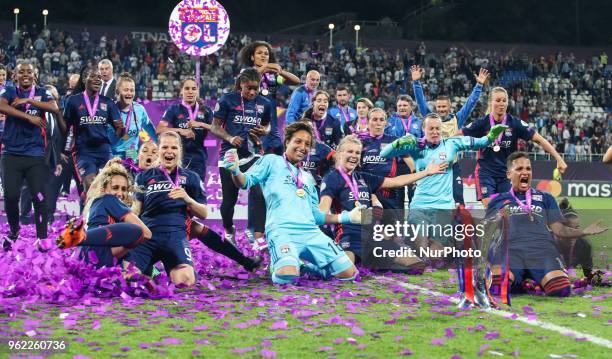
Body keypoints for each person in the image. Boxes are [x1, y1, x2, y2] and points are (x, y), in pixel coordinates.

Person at [222, 122, 365, 284]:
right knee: (287, 276)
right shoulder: (271, 161)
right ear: (287, 141)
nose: (302, 146)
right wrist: (235, 171)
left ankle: (307, 268)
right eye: (298, 141)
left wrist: (347, 217)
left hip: (312, 233)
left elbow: (316, 217)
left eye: (306, 144)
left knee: (349, 273)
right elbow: (244, 182)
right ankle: (280, 266)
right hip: (282, 232)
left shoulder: (308, 178)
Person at [381, 113, 508, 252]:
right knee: (421, 250)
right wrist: (396, 143)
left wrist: (490, 137)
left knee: (437, 256)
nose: (435, 132)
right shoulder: (416, 145)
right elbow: (383, 154)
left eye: (438, 128)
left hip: (443, 206)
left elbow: (480, 143)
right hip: (420, 205)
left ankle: (441, 246)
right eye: (431, 129)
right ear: (424, 129)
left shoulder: (451, 144)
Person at [128, 141, 263, 272]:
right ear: (137, 155)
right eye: (145, 151)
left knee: (197, 228)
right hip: (145, 228)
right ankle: (149, 268)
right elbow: (133, 210)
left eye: (153, 152)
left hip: (172, 227)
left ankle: (244, 261)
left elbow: (201, 213)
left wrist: (186, 202)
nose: (149, 155)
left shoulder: (175, 175)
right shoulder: (129, 176)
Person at [486, 152, 607, 297]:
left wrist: (584, 231)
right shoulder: (498, 201)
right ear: (509, 174)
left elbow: (559, 230)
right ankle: (521, 282)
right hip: (510, 251)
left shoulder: (545, 198)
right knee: (497, 287)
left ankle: (527, 281)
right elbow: (488, 233)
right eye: (519, 169)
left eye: (528, 169)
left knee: (561, 290)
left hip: (542, 252)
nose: (525, 172)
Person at [320, 135, 447, 263]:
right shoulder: (331, 178)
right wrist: (344, 218)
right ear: (340, 153)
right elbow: (322, 214)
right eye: (350, 151)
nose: (354, 155)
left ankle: (370, 258)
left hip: (372, 235)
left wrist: (425, 172)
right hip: (348, 235)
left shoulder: (363, 177)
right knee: (345, 269)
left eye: (357, 152)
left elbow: (396, 181)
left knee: (415, 263)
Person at [126, 132, 208, 286]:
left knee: (185, 281)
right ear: (159, 151)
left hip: (175, 237)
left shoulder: (191, 177)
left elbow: (203, 213)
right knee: (129, 278)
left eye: (174, 147)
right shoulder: (144, 176)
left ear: (180, 151)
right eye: (164, 147)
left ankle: (166, 269)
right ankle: (152, 272)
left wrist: (187, 199)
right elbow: (136, 211)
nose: (169, 151)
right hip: (148, 235)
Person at [461, 87, 567, 207]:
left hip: (507, 175)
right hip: (485, 173)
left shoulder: (515, 123)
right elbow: (458, 135)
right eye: (498, 100)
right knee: (492, 209)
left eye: (504, 100)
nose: (501, 104)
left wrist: (559, 159)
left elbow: (539, 139)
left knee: (507, 211)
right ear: (491, 102)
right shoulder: (481, 123)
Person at [411, 65, 490, 206]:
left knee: (459, 201)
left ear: (449, 107)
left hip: (453, 166)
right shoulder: (430, 119)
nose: (441, 109)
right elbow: (420, 102)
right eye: (439, 107)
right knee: (432, 200)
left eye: (444, 107)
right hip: (432, 164)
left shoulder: (457, 119)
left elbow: (470, 104)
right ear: (436, 107)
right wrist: (416, 82)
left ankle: (458, 227)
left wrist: (479, 85)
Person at [0, 62, 60, 247]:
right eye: (21, 72)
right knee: (10, 196)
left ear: (35, 75)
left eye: (29, 72)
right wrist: (28, 117)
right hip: (11, 154)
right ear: (15, 76)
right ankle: (14, 230)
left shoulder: (43, 91)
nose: (25, 74)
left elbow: (54, 108)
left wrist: (28, 102)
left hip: (35, 154)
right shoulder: (9, 91)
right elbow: (1, 106)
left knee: (39, 195)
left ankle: (41, 237)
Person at [210, 68, 271, 243]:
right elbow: (214, 127)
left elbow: (267, 126)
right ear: (241, 85)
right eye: (248, 88)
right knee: (229, 202)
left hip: (254, 156)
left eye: (256, 88)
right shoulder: (227, 100)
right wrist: (229, 137)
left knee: (259, 194)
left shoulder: (264, 103)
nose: (252, 92)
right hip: (230, 156)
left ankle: (259, 239)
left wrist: (263, 130)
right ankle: (229, 229)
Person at [57, 159, 152, 269]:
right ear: (104, 189)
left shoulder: (97, 202)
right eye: (115, 188)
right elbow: (146, 233)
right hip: (96, 251)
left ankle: (79, 238)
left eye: (124, 189)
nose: (120, 193)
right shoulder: (108, 199)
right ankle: (79, 237)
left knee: (134, 268)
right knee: (138, 231)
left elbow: (92, 190)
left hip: (93, 261)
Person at [64, 66, 124, 194]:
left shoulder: (108, 102)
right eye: (93, 76)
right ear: (85, 79)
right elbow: (65, 128)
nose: (98, 79)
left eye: (99, 77)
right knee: (90, 185)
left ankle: (105, 213)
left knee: (109, 186)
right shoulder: (73, 101)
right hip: (84, 152)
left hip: (104, 152)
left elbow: (119, 128)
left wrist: (114, 138)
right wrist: (62, 151)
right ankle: (85, 213)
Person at [238, 41, 300, 155]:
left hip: (272, 126)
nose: (263, 55)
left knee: (278, 157)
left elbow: (296, 81)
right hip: (254, 126)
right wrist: (266, 67)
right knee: (256, 159)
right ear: (252, 57)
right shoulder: (246, 72)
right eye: (259, 53)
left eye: (266, 54)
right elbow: (249, 79)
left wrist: (281, 72)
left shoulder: (273, 77)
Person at [19, 85, 67, 225]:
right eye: (49, 98)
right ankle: (25, 215)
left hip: (51, 156)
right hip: (34, 154)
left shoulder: (57, 116)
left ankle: (48, 216)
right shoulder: (34, 113)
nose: (52, 101)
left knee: (50, 187)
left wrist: (57, 160)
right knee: (29, 185)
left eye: (54, 98)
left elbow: (56, 140)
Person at [358, 108, 413, 224]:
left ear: (385, 123)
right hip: (367, 193)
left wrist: (414, 172)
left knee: (390, 232)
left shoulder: (393, 141)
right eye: (374, 119)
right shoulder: (359, 141)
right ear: (367, 122)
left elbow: (409, 160)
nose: (378, 123)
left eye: (381, 120)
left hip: (389, 193)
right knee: (366, 227)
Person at [157, 78, 210, 180]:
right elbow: (159, 130)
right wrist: (180, 130)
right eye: (187, 88)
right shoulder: (174, 109)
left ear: (197, 91)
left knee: (196, 192)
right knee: (177, 191)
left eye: (193, 88)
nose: (190, 91)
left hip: (199, 159)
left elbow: (216, 129)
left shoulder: (206, 110)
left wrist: (200, 124)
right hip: (179, 158)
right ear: (181, 90)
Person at [110, 73, 156, 160]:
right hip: (112, 156)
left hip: (131, 154)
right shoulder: (110, 110)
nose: (129, 93)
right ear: (117, 92)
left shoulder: (139, 110)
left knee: (133, 171)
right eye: (126, 90)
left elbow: (151, 129)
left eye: (132, 90)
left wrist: (162, 145)